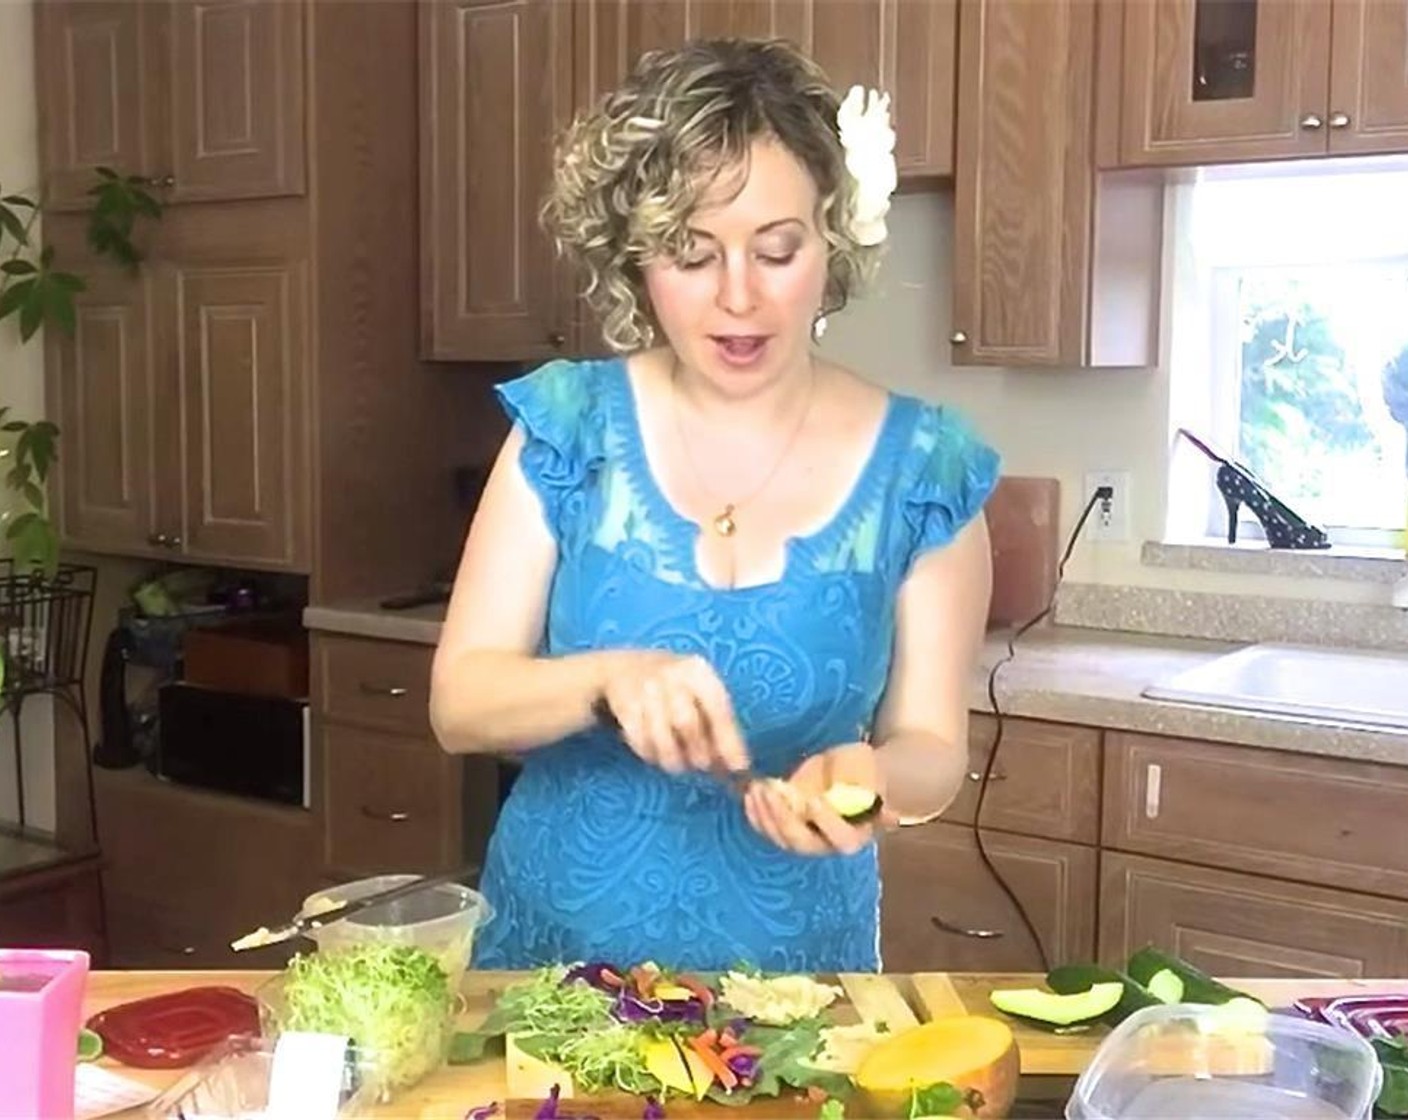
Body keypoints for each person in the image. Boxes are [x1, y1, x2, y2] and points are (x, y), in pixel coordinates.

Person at [430, 37, 999, 972]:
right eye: (691, 255)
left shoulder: (926, 470)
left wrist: (879, 778)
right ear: (638, 262)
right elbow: (459, 702)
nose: (739, 298)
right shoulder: (566, 428)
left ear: (832, 240)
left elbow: (933, 745)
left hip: (794, 984)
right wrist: (603, 680)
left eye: (778, 249)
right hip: (550, 967)